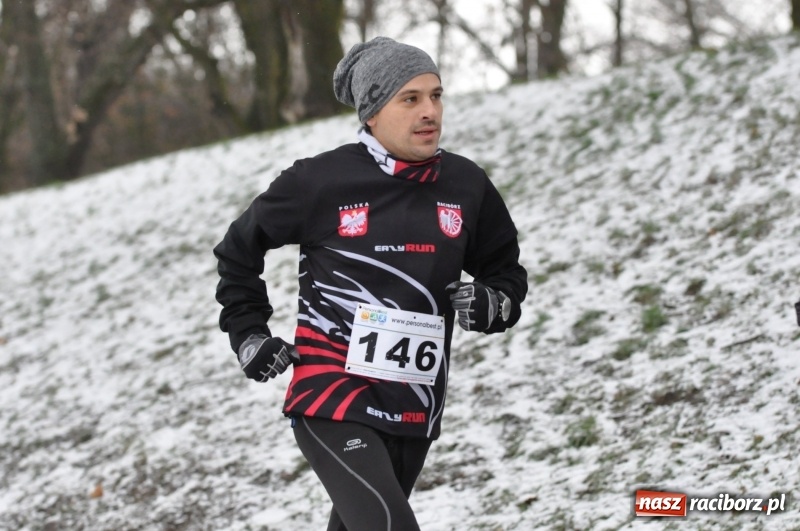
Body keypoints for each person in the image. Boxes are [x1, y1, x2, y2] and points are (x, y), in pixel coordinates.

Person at [213, 36, 528, 531]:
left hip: (415, 403)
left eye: (436, 95)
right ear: (373, 113)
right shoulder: (319, 181)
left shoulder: (466, 185)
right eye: (410, 98)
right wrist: (249, 333)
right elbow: (237, 252)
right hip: (332, 395)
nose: (429, 111)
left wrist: (493, 303)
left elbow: (506, 274)